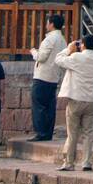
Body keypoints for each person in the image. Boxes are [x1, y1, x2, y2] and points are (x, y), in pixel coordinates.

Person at [55, 34, 93, 172]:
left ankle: (69, 163)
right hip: (91, 100)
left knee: (73, 133)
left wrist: (69, 49)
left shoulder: (76, 57)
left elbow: (58, 60)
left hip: (76, 99)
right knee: (88, 132)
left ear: (82, 44)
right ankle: (86, 162)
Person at [29, 12, 66, 141]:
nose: (46, 25)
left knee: (38, 104)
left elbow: (41, 57)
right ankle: (48, 132)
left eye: (47, 22)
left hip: (42, 76)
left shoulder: (50, 38)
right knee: (50, 106)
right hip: (54, 76)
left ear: (51, 24)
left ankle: (40, 132)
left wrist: (34, 52)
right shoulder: (62, 40)